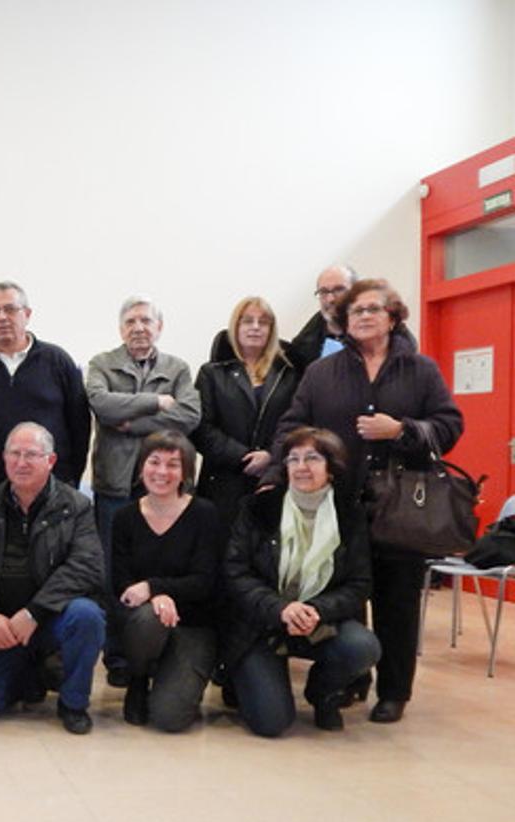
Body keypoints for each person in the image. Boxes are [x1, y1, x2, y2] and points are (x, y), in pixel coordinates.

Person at [273, 278, 463, 723]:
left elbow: (450, 425)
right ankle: (350, 680)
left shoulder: (421, 370)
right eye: (355, 311)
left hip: (402, 510)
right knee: (345, 598)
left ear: (393, 317)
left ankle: (395, 691)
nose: (362, 316)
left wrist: (402, 431)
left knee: (397, 603)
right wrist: (284, 467)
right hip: (339, 507)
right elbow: (293, 425)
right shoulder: (321, 373)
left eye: (373, 309)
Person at [0, 422, 106, 735]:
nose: (21, 462)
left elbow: (87, 566)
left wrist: (35, 612)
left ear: (51, 461)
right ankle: (33, 673)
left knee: (87, 616)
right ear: (4, 458)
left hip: (52, 618)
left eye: (31, 455)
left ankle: (73, 704)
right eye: (14, 454)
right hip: (3, 626)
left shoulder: (76, 506)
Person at [225, 428, 380, 736]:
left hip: (319, 621)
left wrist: (315, 610)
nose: (301, 467)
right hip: (261, 624)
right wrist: (281, 608)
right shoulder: (259, 508)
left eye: (312, 458)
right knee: (272, 723)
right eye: (293, 459)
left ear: (332, 467)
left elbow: (359, 584)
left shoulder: (349, 515)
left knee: (362, 647)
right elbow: (235, 572)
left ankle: (323, 693)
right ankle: (242, 678)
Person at [85, 296, 200, 685]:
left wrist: (132, 422)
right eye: (131, 321)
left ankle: (166, 651)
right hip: (115, 486)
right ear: (121, 329)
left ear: (159, 327)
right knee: (115, 573)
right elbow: (102, 405)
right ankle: (118, 657)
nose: (139, 327)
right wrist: (154, 402)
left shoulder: (178, 368)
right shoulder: (103, 364)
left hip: (167, 488)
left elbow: (189, 416)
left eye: (146, 321)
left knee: (164, 569)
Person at [109, 431, 220, 732]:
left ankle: (172, 673)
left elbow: (205, 582)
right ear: (141, 466)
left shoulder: (205, 514)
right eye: (154, 462)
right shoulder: (124, 517)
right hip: (144, 622)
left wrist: (155, 587)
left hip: (193, 626)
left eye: (173, 464)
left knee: (170, 719)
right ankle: (138, 676)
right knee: (149, 618)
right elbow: (121, 582)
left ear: (185, 471)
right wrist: (155, 596)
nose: (161, 472)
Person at [0, 281, 90, 494]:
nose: (2, 317)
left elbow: (80, 426)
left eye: (10, 309)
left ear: (27, 313)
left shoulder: (58, 361)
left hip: (53, 492)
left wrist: (70, 482)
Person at [193, 296, 298, 536]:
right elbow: (201, 428)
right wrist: (244, 457)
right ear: (235, 327)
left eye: (263, 322)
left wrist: (271, 457)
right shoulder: (212, 373)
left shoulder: (288, 375)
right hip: (222, 482)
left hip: (272, 480)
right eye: (247, 321)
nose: (255, 327)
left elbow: (295, 425)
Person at [287, 264, 356, 376]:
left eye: (339, 290)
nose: (330, 299)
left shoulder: (381, 338)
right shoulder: (301, 348)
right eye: (323, 292)